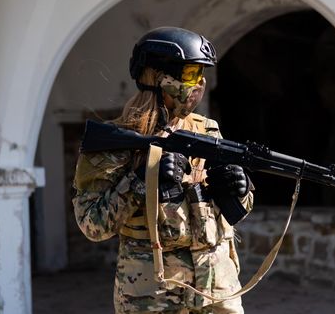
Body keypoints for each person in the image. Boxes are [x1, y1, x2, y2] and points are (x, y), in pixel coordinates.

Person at [72, 26, 254, 314]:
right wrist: (142, 178)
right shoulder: (116, 142)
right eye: (192, 74)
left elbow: (231, 212)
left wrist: (239, 190)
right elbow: (92, 225)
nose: (199, 85)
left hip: (218, 290)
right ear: (158, 78)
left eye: (202, 75)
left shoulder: (206, 131)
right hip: (153, 295)